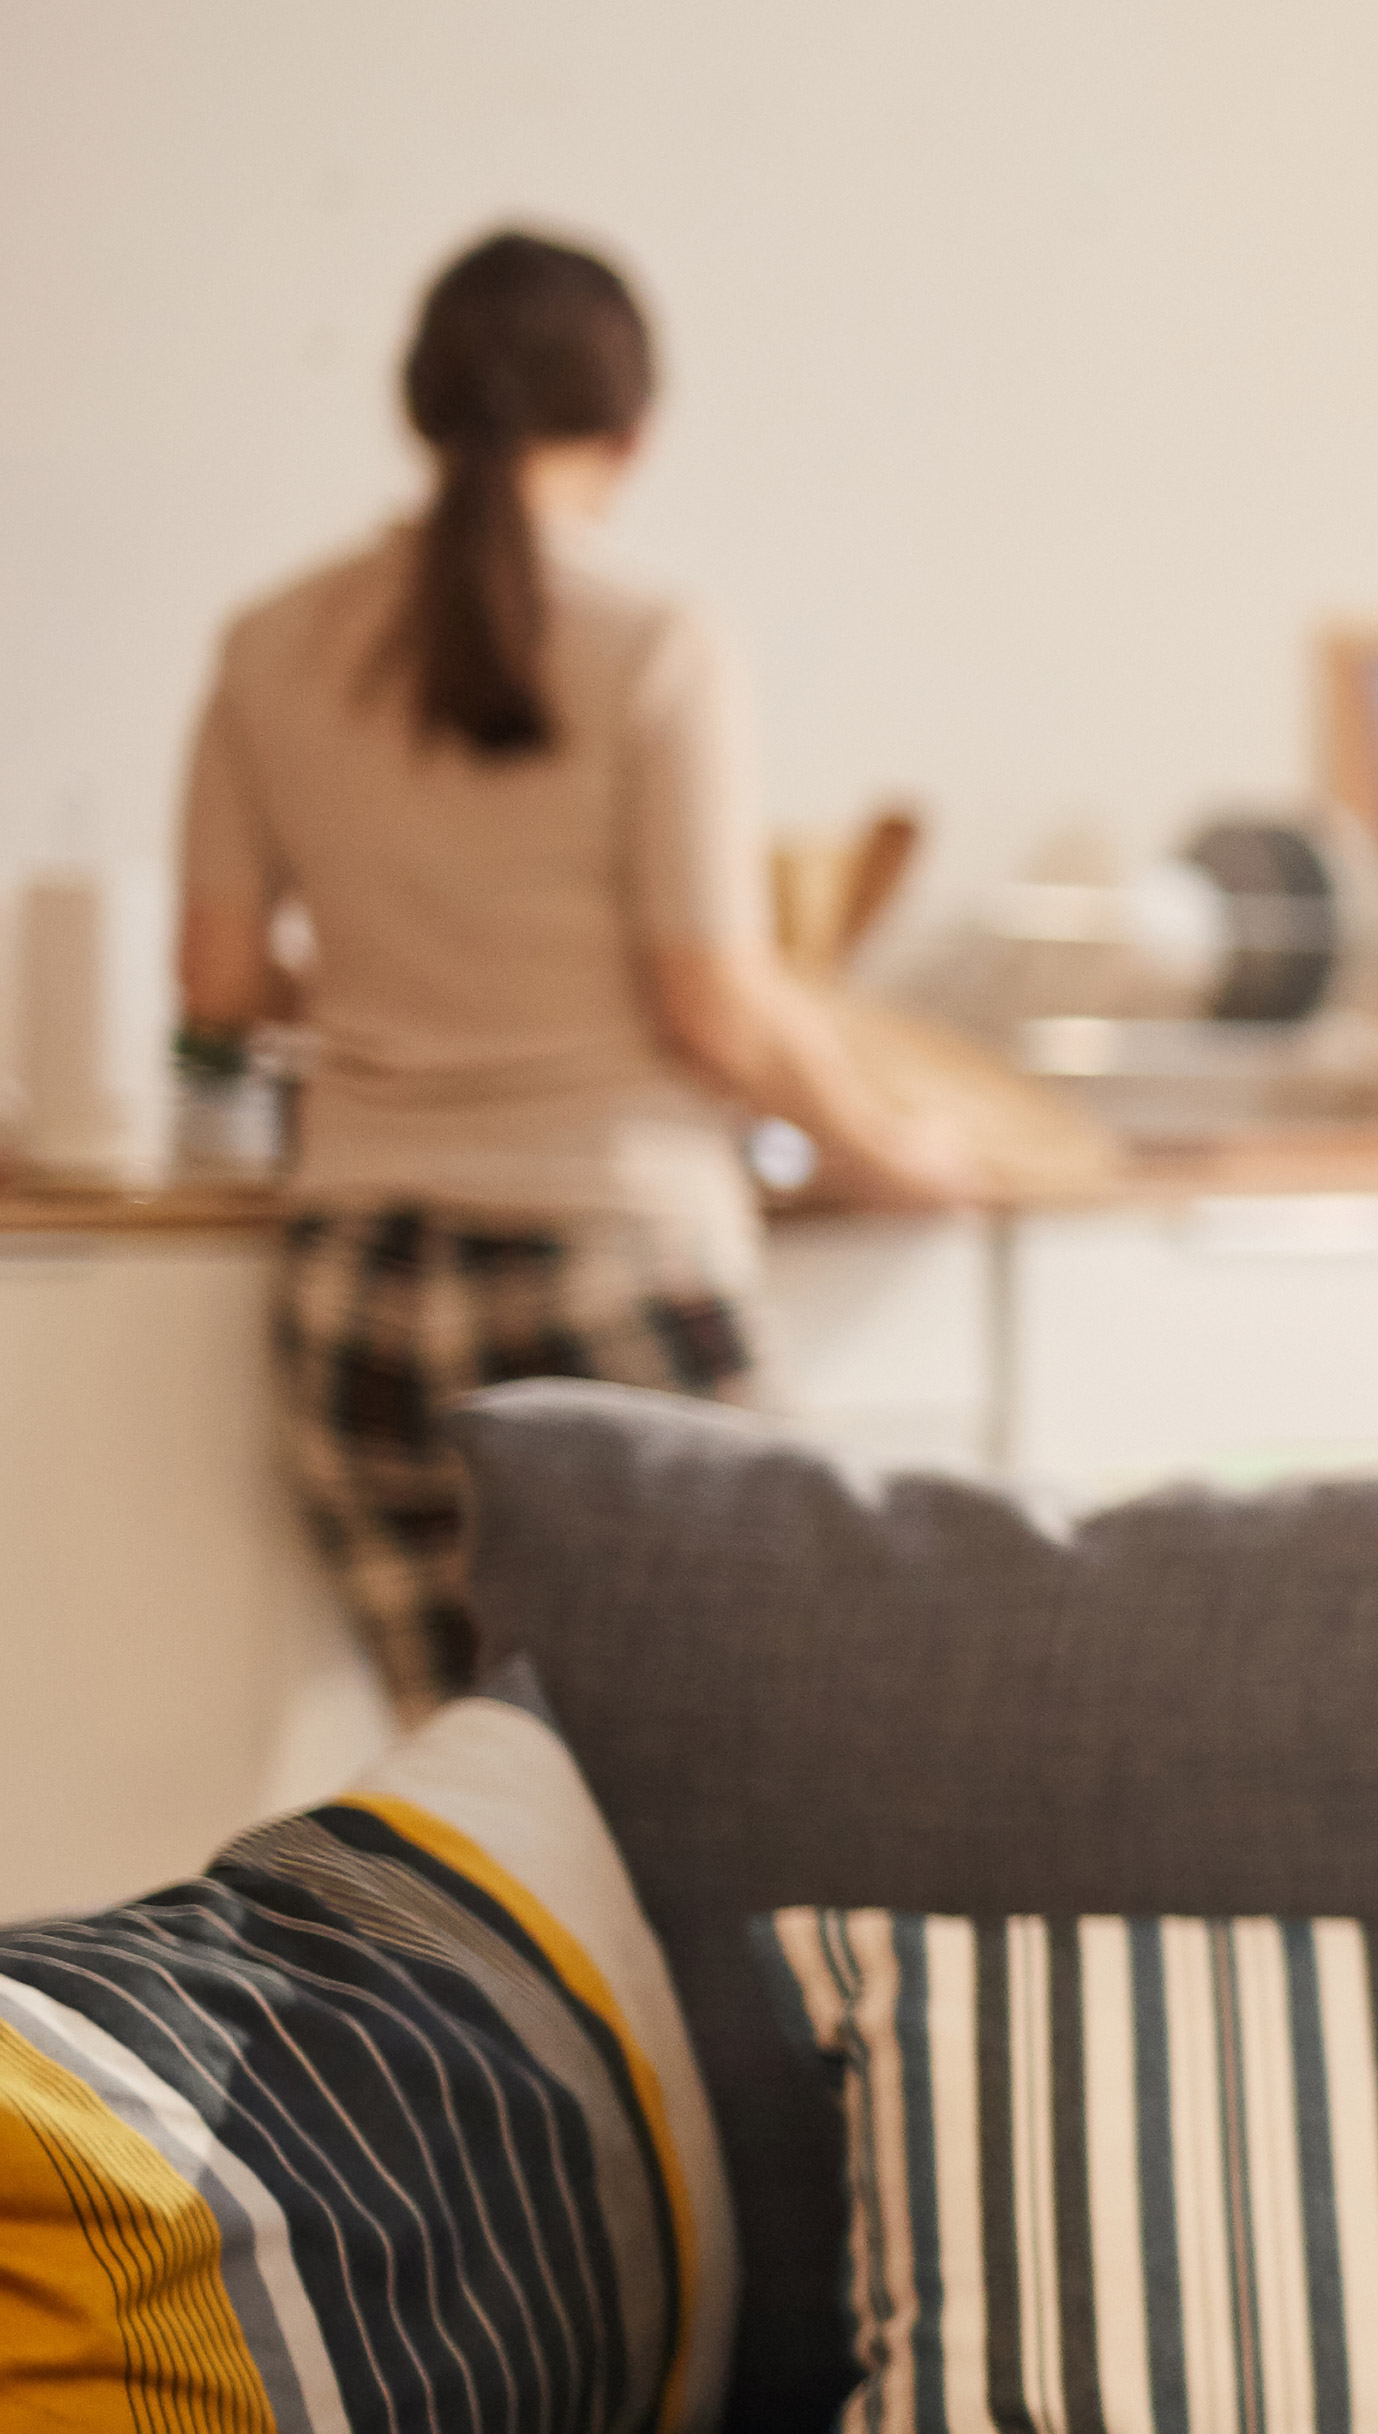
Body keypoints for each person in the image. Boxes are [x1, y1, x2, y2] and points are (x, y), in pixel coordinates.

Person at [175, 227, 976, 1710]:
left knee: (483, 1800)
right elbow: (711, 998)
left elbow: (216, 984)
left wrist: (391, 981)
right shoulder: (656, 641)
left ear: (421, 407)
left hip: (356, 1287)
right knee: (768, 1748)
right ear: (632, 429)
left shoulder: (266, 642)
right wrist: (890, 1147)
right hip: (611, 1266)